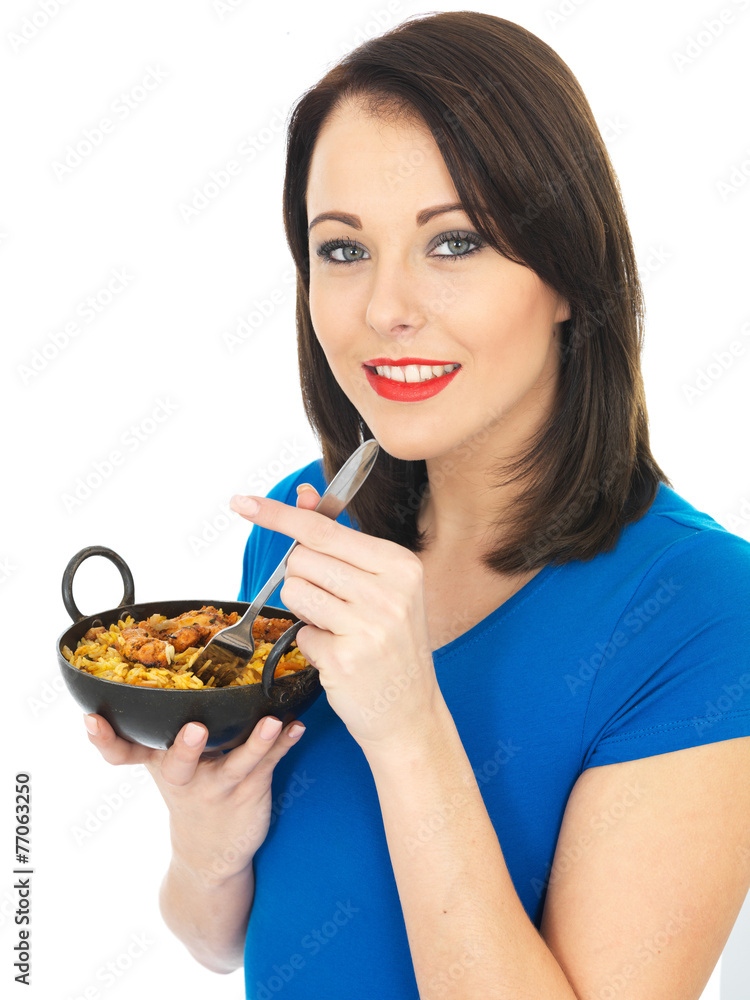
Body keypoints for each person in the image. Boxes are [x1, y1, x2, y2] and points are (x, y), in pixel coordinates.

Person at [83, 11, 750, 999]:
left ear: (569, 272)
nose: (385, 307)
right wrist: (207, 837)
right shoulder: (303, 532)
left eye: (455, 241)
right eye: (343, 250)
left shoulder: (706, 612)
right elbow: (215, 939)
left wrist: (407, 728)